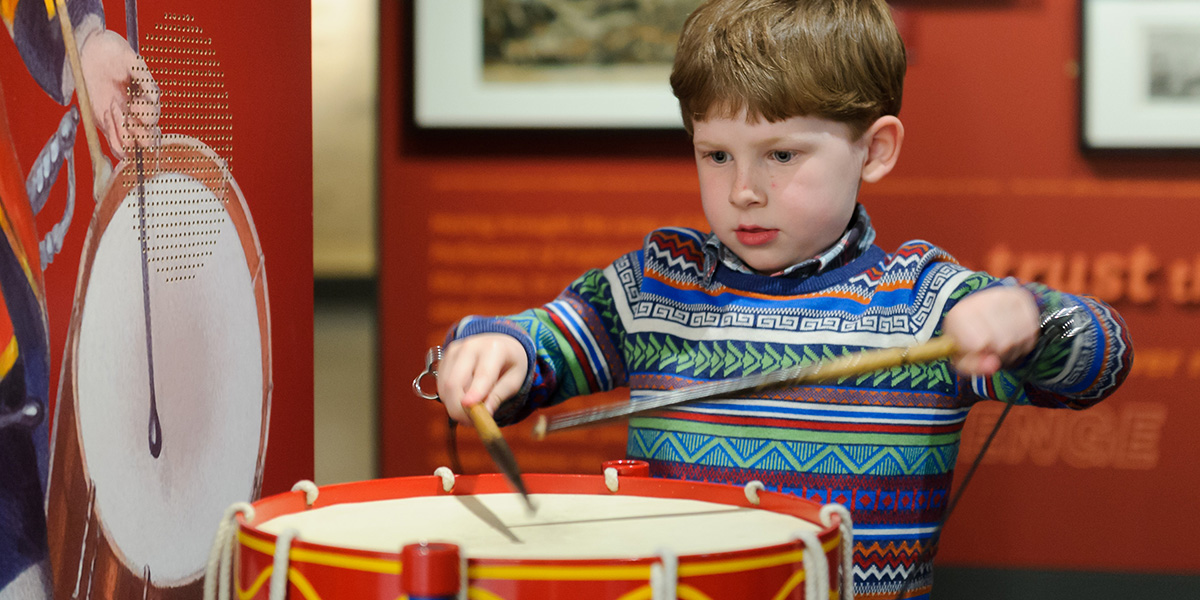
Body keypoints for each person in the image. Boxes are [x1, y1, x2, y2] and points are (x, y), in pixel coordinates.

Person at [433, 0, 1134, 597]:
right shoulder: (656, 285)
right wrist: (499, 351)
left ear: (876, 149)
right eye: (717, 155)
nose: (743, 190)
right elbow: (545, 344)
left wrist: (1030, 321)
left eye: (782, 155)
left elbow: (1100, 362)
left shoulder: (925, 303)